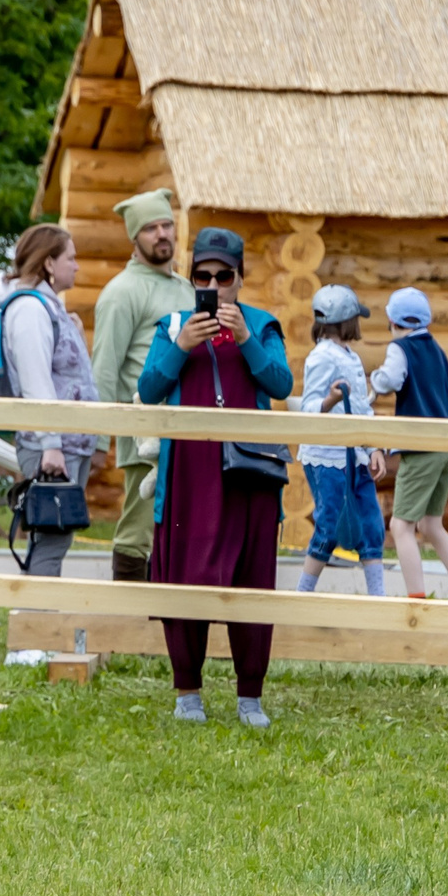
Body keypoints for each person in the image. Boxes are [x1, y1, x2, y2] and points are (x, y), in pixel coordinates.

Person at [137, 226, 294, 727]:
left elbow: (281, 383)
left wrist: (245, 340)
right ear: (191, 278)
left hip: (248, 471)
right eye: (202, 275)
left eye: (223, 275)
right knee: (186, 578)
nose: (214, 284)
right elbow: (149, 389)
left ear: (239, 279)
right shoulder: (173, 325)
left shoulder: (263, 325)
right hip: (187, 472)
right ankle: (188, 694)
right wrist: (180, 344)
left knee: (251, 582)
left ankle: (250, 696)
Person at [88, 189, 187, 583]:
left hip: (188, 425)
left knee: (180, 526)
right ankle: (128, 617)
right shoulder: (122, 292)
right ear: (134, 238)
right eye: (150, 228)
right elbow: (105, 368)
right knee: (139, 527)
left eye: (166, 225)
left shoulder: (185, 288)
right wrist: (97, 441)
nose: (161, 234)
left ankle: (165, 620)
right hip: (144, 433)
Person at [0, 223, 100, 576]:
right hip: (51, 446)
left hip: (68, 444)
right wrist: (51, 444)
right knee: (51, 541)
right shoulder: (30, 310)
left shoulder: (51, 309)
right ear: (50, 264)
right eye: (71, 258)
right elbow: (37, 381)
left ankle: (34, 623)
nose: (77, 266)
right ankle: (37, 625)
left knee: (52, 538)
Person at [370, 287, 448, 602]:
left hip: (421, 449)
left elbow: (390, 380)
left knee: (401, 526)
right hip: (447, 448)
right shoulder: (437, 350)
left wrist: (373, 383)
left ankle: (416, 598)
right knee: (431, 524)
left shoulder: (400, 348)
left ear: (393, 321)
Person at [293, 285, 389, 597]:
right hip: (327, 457)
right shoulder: (321, 357)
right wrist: (331, 399)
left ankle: (378, 598)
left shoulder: (349, 355)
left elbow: (361, 408)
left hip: (354, 456)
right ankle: (303, 594)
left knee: (371, 524)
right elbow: (309, 407)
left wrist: (372, 446)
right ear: (348, 322)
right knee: (329, 525)